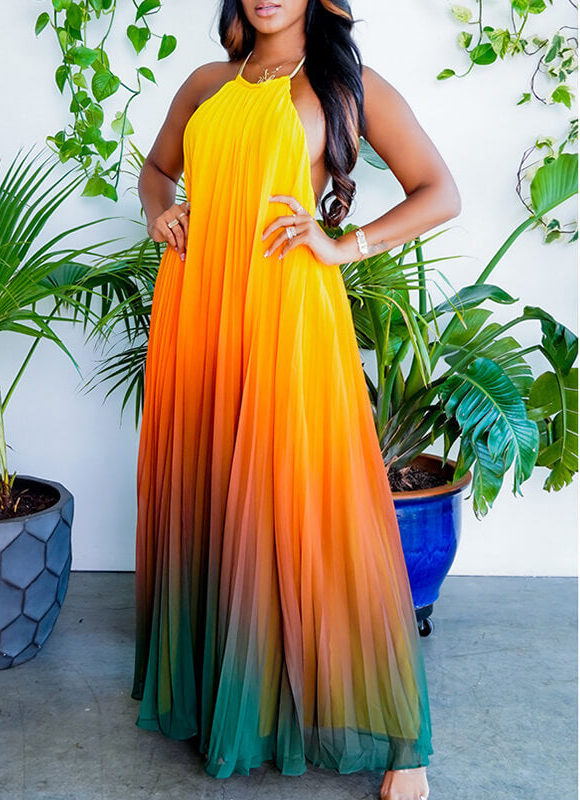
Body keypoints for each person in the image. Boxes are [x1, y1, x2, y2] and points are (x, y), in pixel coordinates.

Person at [132, 1, 460, 799]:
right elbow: (156, 170)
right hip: (200, 310)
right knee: (218, 496)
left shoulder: (344, 85)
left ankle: (400, 744)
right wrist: (159, 212)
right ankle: (236, 697)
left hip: (288, 317)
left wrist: (344, 246)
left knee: (319, 511)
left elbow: (439, 191)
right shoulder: (206, 83)